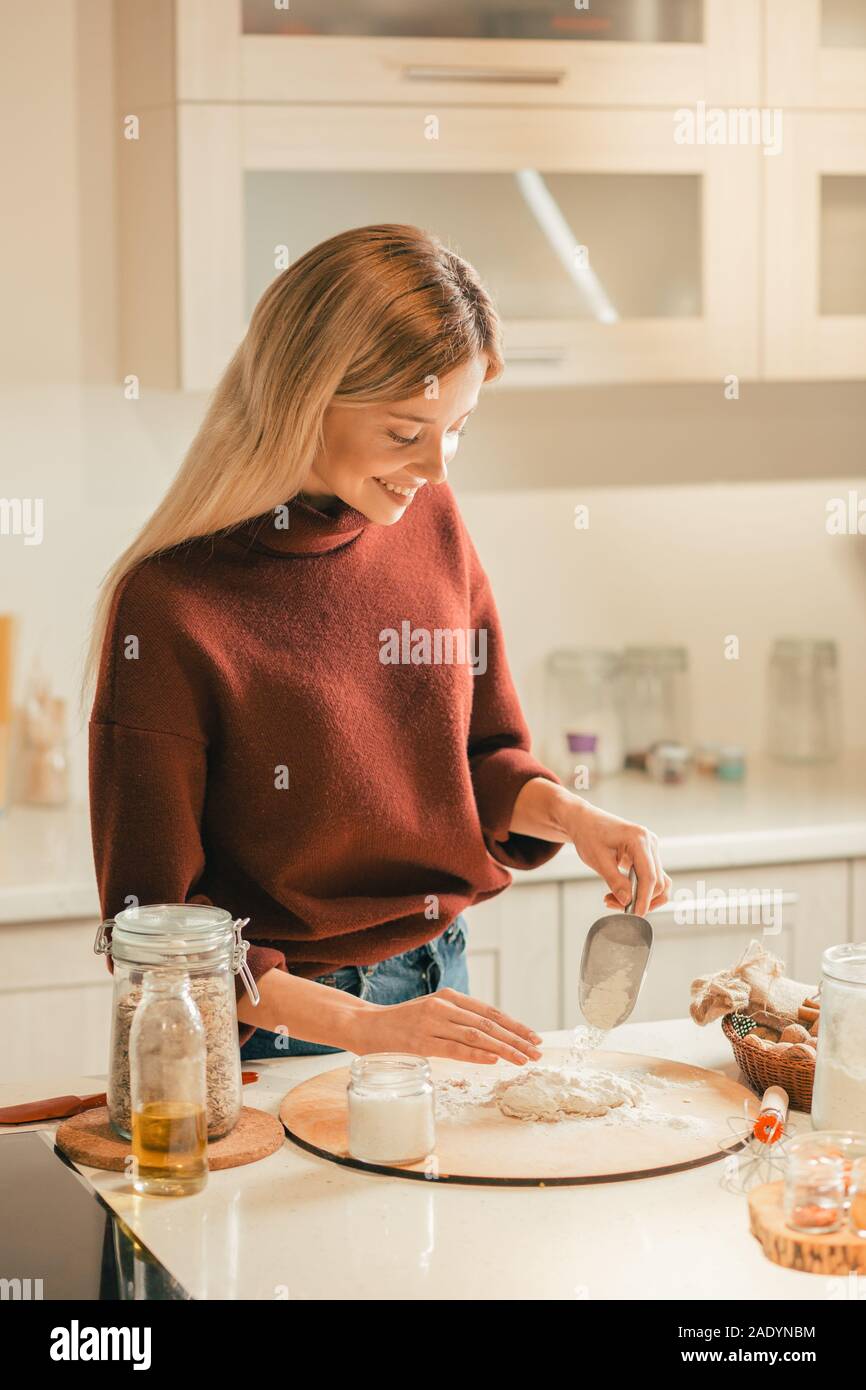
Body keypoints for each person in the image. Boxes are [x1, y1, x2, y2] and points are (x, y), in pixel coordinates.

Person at [87, 224, 670, 1067]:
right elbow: (151, 932)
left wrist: (573, 816)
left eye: (459, 427)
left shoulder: (425, 520)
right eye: (407, 433)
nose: (438, 465)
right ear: (299, 398)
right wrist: (364, 1028)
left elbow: (476, 758)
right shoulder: (172, 605)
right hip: (279, 1036)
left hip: (442, 982)